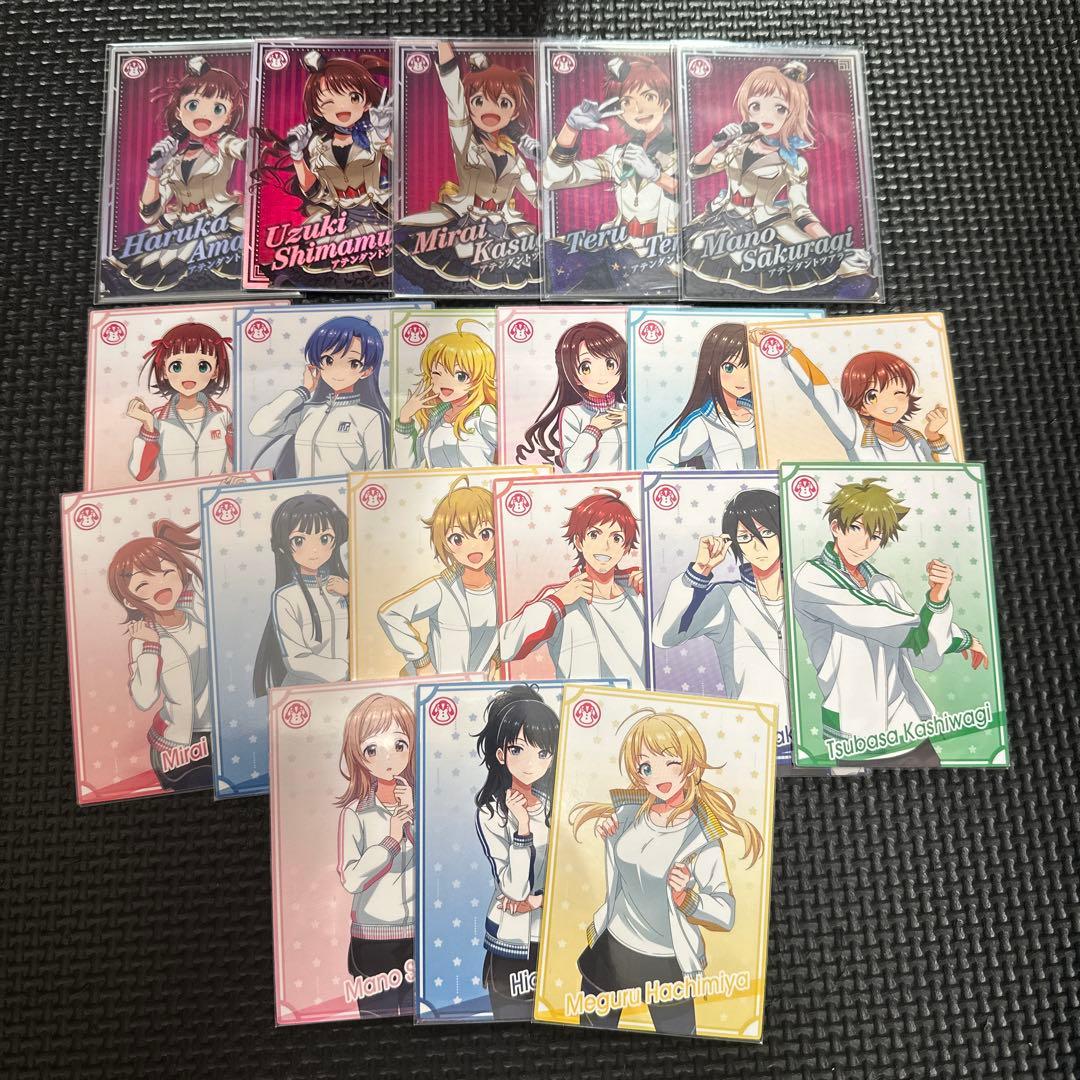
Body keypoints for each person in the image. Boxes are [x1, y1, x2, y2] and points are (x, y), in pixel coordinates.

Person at [570, 709, 762, 1036]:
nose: (658, 775)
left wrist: (687, 897)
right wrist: (609, 832)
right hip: (613, 945)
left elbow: (725, 914)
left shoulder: (701, 836)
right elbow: (622, 872)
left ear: (691, 764)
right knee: (588, 1039)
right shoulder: (628, 814)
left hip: (665, 959)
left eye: (671, 762)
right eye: (646, 766)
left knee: (679, 1043)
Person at [790, 478, 989, 766]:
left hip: (906, 724)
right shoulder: (810, 577)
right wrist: (955, 634)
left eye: (875, 536)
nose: (864, 544)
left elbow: (922, 654)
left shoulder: (883, 584)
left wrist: (938, 599)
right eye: (856, 528)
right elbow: (889, 623)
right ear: (835, 527)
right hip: (855, 732)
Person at [500, 490, 646, 687]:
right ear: (579, 541)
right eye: (594, 534)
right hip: (583, 704)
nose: (605, 546)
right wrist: (558, 601)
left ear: (626, 547)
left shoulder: (638, 593)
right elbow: (506, 646)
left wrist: (652, 590)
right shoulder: (560, 598)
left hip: (642, 702)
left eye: (616, 538)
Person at [474, 686, 559, 1020]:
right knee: (511, 1024)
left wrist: (538, 902)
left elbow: (569, 874)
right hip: (512, 937)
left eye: (542, 752)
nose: (529, 764)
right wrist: (522, 828)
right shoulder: (492, 813)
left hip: (555, 932)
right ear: (501, 754)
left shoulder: (556, 805)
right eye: (518, 749)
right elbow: (513, 888)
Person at [336, 693, 416, 1018]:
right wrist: (389, 842)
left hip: (419, 934)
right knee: (377, 1020)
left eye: (399, 745)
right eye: (373, 749)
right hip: (372, 940)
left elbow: (439, 864)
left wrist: (414, 817)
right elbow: (351, 878)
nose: (388, 757)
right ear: (359, 754)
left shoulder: (421, 803)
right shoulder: (355, 812)